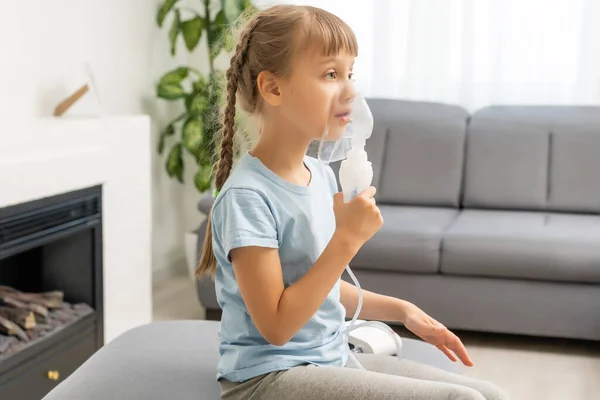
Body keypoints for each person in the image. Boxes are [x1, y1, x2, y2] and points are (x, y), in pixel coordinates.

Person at [195, 4, 509, 400]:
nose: (350, 91)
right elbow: (276, 325)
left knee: (491, 395)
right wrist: (347, 239)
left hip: (329, 357)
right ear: (273, 88)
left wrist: (402, 311)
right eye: (330, 74)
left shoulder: (321, 175)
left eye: (350, 74)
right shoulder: (247, 197)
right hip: (266, 378)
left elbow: (316, 288)